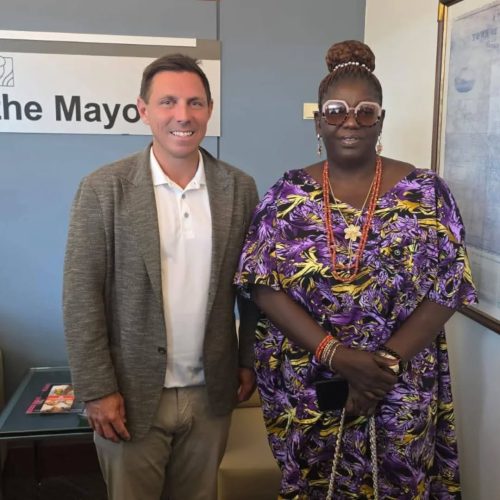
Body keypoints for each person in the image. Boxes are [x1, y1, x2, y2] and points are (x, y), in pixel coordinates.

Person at [235, 40, 477, 499]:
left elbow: (449, 286)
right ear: (318, 121)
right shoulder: (286, 195)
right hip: (310, 383)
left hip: (399, 382)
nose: (350, 122)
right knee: (316, 485)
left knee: (398, 483)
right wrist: (338, 356)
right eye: (336, 111)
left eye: (365, 112)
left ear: (381, 120)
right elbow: (262, 284)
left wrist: (380, 366)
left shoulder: (428, 193)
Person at [63, 53, 259, 500]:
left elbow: (252, 290)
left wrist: (247, 360)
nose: (182, 115)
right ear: (143, 110)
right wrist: (97, 390)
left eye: (195, 102)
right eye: (168, 102)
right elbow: (81, 296)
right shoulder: (103, 188)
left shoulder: (239, 188)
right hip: (129, 397)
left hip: (212, 393)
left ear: (209, 110)